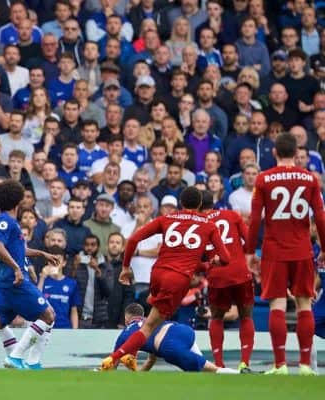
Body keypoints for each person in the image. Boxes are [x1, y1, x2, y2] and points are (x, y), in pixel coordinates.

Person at [100, 186, 230, 371]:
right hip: (177, 279)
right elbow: (225, 258)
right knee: (148, 327)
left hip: (157, 273)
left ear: (180, 203)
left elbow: (134, 239)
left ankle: (134, 355)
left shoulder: (167, 218)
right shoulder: (208, 225)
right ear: (200, 204)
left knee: (156, 316)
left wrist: (126, 267)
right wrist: (213, 262)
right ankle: (113, 359)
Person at [246, 133, 325, 376]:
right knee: (304, 305)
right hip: (301, 250)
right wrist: (324, 248)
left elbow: (255, 219)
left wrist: (250, 251)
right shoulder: (310, 178)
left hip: (274, 250)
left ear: (274, 152)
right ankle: (304, 366)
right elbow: (320, 217)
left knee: (277, 305)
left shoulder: (263, 179)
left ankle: (280, 365)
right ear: (296, 152)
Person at [0, 179, 59, 369]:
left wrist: (41, 253)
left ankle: (27, 361)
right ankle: (19, 358)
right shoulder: (6, 221)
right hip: (16, 283)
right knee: (48, 316)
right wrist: (16, 268)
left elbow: (18, 249)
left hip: (8, 285)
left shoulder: (8, 221)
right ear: (18, 199)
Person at [200, 191, 255, 372]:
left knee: (216, 317)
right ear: (213, 202)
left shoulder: (198, 224)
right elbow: (249, 241)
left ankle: (219, 364)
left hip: (217, 276)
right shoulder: (232, 215)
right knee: (246, 316)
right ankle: (245, 363)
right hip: (240, 272)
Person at [111, 303, 239, 374]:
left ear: (126, 319)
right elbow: (151, 360)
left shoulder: (125, 333)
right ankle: (224, 373)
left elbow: (112, 364)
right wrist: (138, 376)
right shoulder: (150, 321)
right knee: (201, 371)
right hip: (184, 330)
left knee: (208, 369)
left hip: (169, 344)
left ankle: (235, 374)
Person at [38, 245, 79, 329]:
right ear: (48, 262)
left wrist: (75, 331)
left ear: (64, 263)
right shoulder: (42, 280)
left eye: (58, 260)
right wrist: (42, 277)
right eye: (52, 260)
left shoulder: (71, 283)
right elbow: (37, 300)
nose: (55, 263)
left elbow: (74, 310)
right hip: (44, 328)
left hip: (64, 328)